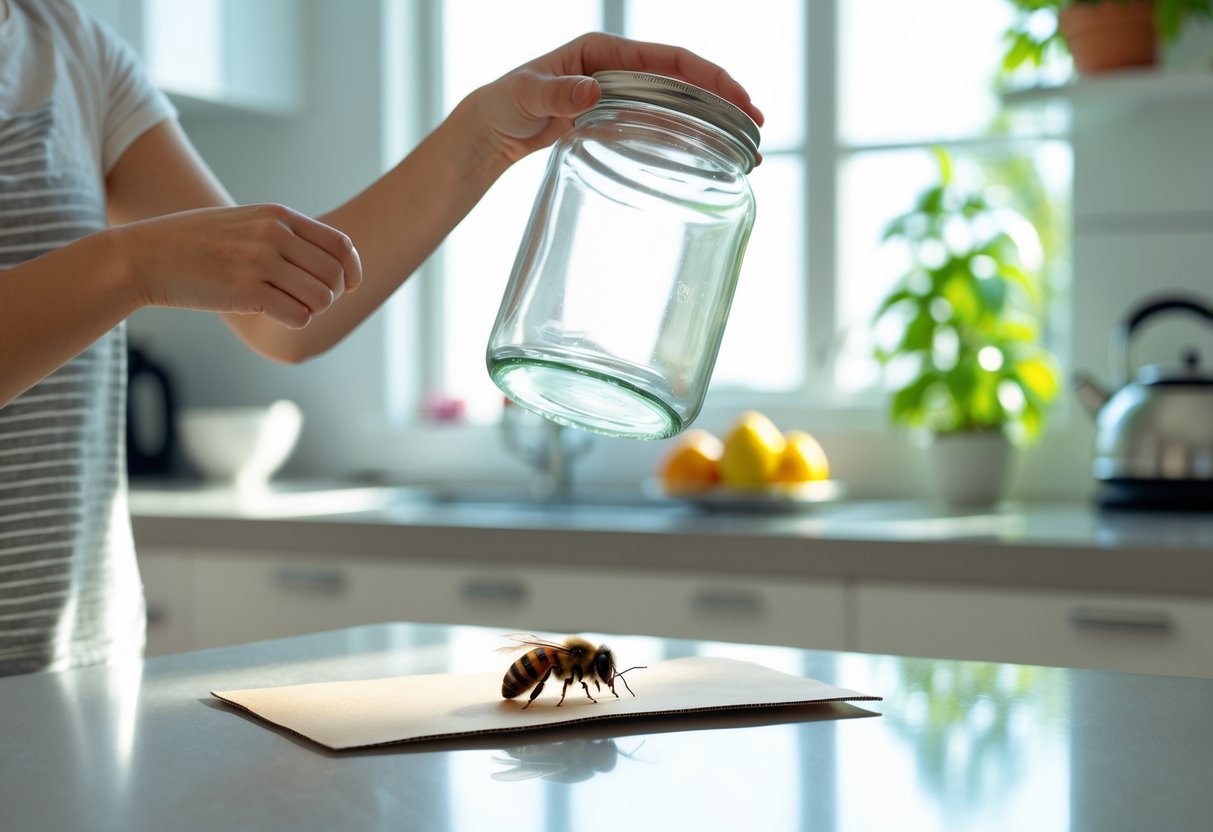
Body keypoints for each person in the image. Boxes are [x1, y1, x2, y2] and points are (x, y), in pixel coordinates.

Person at [0, 0, 763, 675]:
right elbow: (143, 269)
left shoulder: (70, 47)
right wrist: (131, 264)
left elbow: (281, 315)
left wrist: (483, 136)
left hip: (83, 662)